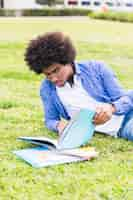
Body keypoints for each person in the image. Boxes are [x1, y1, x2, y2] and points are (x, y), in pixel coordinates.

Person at [24, 31, 133, 141]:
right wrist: (59, 125)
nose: (53, 78)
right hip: (119, 131)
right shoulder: (47, 88)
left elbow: (127, 99)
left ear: (68, 60)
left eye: (56, 70)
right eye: (47, 74)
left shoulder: (97, 69)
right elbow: (50, 119)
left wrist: (111, 108)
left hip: (126, 119)